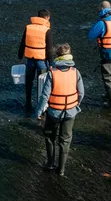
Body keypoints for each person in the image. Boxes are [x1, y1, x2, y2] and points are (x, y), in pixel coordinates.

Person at [34, 43, 85, 176]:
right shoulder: (76, 72)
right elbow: (81, 93)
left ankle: (50, 163)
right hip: (70, 112)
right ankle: (61, 170)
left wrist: (38, 112)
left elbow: (45, 96)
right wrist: (75, 105)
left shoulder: (52, 73)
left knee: (50, 137)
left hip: (54, 113)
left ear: (57, 56)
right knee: (65, 140)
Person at [87, 0, 111, 111]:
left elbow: (90, 35)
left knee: (108, 78)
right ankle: (109, 95)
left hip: (107, 54)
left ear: (101, 9)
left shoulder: (102, 23)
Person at [16, 9, 55, 113]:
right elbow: (50, 49)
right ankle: (41, 105)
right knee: (42, 84)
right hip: (41, 61)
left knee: (29, 82)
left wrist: (20, 56)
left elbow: (22, 43)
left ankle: (28, 103)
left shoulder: (28, 28)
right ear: (46, 18)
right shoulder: (47, 30)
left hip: (29, 60)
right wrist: (51, 64)